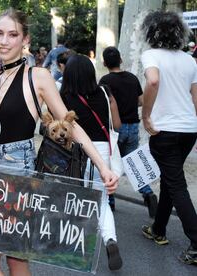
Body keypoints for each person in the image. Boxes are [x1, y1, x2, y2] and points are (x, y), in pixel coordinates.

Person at [0, 8, 118, 275]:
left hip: (21, 178)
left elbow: (72, 126)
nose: (4, 41)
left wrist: (102, 166)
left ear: (24, 39)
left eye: (12, 34)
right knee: (16, 261)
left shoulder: (37, 76)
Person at [140, 11, 197, 265]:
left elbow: (152, 81)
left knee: (176, 184)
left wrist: (146, 115)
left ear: (151, 31)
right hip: (188, 129)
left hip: (164, 130)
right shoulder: (189, 60)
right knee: (171, 180)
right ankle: (159, 228)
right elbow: (196, 97)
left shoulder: (151, 55)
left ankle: (196, 243)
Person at [60, 54, 123, 270]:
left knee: (75, 198)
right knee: (102, 201)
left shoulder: (63, 97)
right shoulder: (104, 92)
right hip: (103, 152)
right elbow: (115, 123)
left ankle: (75, 244)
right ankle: (110, 240)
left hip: (76, 151)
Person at [99, 46, 158, 216]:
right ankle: (148, 194)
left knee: (110, 164)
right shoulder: (132, 78)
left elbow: (103, 104)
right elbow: (141, 100)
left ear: (104, 62)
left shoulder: (105, 81)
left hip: (115, 128)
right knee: (133, 163)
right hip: (132, 127)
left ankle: (110, 202)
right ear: (121, 60)